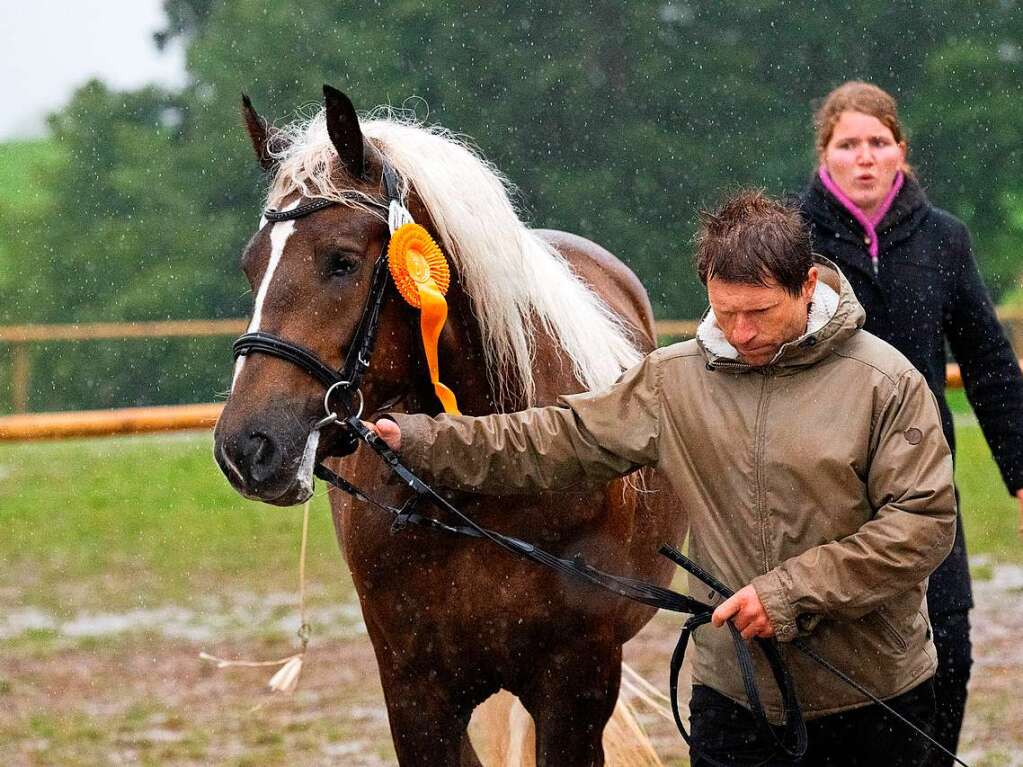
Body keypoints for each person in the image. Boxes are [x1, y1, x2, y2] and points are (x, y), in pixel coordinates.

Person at [367, 190, 956, 766]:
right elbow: (552, 439)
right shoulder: (673, 381)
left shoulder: (885, 382)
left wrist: (788, 595)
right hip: (734, 698)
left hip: (873, 697)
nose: (741, 333)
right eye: (725, 314)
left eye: (759, 313)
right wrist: (420, 440)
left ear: (807, 287)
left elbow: (921, 526)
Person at [800, 80, 1023, 765]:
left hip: (924, 485)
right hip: (820, 485)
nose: (863, 157)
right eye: (848, 145)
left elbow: (986, 362)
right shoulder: (788, 240)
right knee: (829, 666)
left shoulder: (943, 239)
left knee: (946, 652)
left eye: (877, 142)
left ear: (900, 151)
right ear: (824, 155)